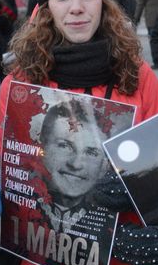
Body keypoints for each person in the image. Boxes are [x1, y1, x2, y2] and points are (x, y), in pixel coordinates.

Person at [0, 0, 158, 265]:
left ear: (104, 2)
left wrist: (138, 190)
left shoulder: (140, 78)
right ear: (45, 7)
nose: (76, 7)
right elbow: (17, 178)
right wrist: (97, 239)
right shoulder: (20, 85)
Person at [38, 98, 118, 231]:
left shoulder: (110, 226)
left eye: (91, 153)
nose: (76, 164)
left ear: (104, 165)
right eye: (64, 146)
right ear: (43, 147)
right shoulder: (15, 204)